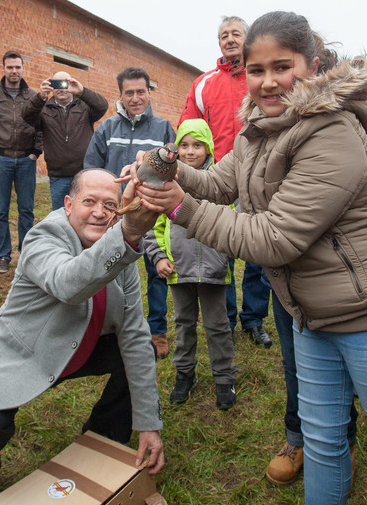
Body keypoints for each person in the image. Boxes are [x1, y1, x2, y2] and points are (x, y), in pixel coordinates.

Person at [131, 11, 367, 505]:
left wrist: (180, 208)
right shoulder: (257, 129)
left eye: (281, 66)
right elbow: (222, 184)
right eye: (255, 69)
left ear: (312, 65)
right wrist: (165, 165)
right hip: (312, 315)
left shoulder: (331, 131)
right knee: (324, 446)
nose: (268, 81)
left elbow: (275, 239)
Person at [0, 168, 165, 505]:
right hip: (26, 352)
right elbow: (69, 284)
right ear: (68, 205)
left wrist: (148, 425)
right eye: (89, 202)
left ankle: (101, 442)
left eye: (110, 204)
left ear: (120, 210)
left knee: (141, 349)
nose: (100, 212)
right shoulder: (43, 237)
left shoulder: (120, 251)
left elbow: (133, 332)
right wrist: (127, 235)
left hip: (83, 348)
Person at [179, 16, 273, 348]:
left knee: (259, 252)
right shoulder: (204, 83)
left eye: (236, 34)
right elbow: (187, 129)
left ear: (247, 40)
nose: (229, 39)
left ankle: (254, 317)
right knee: (222, 251)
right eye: (223, 35)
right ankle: (228, 318)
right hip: (219, 178)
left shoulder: (259, 77)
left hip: (262, 176)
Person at [141, 119, 237, 411]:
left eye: (197, 145)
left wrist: (224, 256)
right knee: (183, 324)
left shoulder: (221, 184)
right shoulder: (165, 182)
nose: (191, 151)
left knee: (217, 326)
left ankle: (224, 378)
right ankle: (185, 374)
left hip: (213, 270)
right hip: (178, 269)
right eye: (184, 145)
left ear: (208, 147)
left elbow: (232, 223)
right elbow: (152, 225)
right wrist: (159, 257)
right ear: (175, 148)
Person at [84, 67, 175, 358]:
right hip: (112, 212)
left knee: (156, 269)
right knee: (108, 268)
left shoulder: (163, 128)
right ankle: (107, 328)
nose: (135, 98)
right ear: (120, 95)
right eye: (129, 93)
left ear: (149, 92)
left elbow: (173, 170)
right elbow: (91, 169)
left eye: (141, 91)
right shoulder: (107, 128)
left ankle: (157, 331)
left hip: (150, 209)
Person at [0, 51, 42, 274]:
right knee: (0, 210)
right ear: (3, 68)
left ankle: (26, 253)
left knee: (26, 210)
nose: (14, 71)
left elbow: (42, 126)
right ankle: (2, 255)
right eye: (10, 67)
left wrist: (35, 152)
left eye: (18, 67)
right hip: (0, 159)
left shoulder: (33, 96)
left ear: (23, 68)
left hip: (26, 159)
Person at [21, 70, 108, 210]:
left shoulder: (84, 107)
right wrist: (41, 96)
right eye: (56, 84)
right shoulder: (44, 109)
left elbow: (102, 105)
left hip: (83, 174)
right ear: (51, 87)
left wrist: (81, 91)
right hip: (58, 175)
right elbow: (26, 116)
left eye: (65, 84)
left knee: (85, 212)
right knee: (61, 215)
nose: (61, 88)